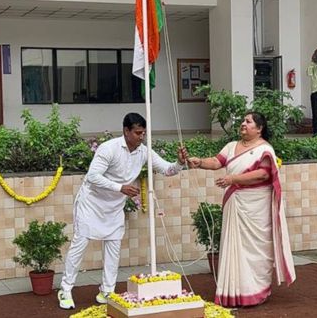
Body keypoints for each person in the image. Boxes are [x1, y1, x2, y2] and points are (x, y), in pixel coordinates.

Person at [57, 112, 188, 310]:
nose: (141, 137)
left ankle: (107, 291)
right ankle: (65, 289)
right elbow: (92, 176)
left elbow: (167, 170)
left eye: (143, 133)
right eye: (137, 133)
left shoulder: (144, 151)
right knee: (80, 243)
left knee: (113, 247)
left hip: (114, 207)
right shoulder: (108, 148)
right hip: (91, 203)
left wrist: (179, 162)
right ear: (126, 131)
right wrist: (120, 188)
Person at [187, 111, 296, 307]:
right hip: (235, 203)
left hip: (256, 206)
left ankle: (255, 290)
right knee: (234, 245)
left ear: (259, 128)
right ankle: (233, 292)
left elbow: (263, 175)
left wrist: (233, 179)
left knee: (256, 249)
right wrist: (200, 162)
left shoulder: (265, 149)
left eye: (248, 121)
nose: (243, 124)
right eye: (243, 121)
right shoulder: (231, 146)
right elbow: (216, 162)